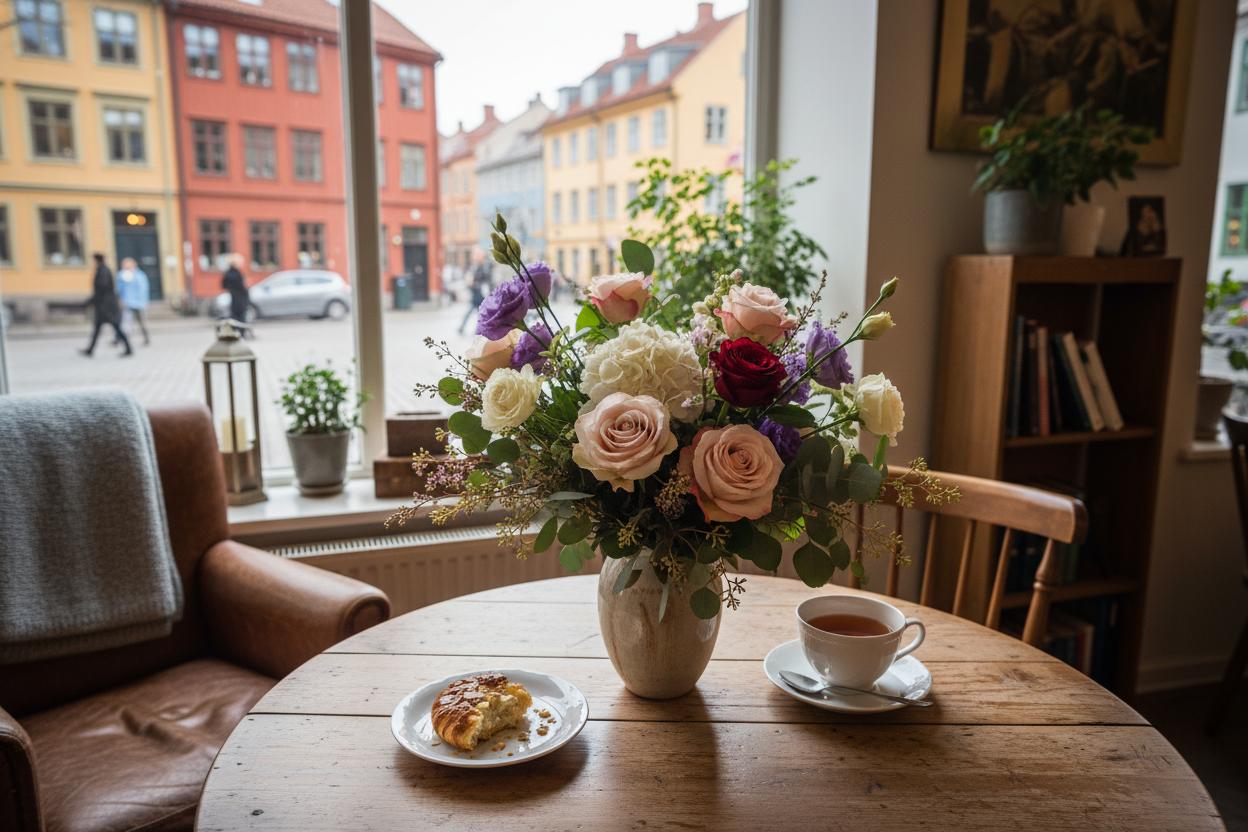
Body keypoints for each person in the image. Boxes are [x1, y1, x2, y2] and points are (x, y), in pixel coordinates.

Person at [81, 253, 131, 357]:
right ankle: (90, 350)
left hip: (106, 306)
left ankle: (128, 348)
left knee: (116, 327)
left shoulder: (103, 271)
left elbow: (102, 289)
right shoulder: (103, 270)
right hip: (104, 306)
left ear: (96, 260)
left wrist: (90, 301)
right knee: (99, 328)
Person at [116, 257, 151, 346]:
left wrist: (144, 301)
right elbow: (119, 288)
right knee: (126, 323)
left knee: (142, 322)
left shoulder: (139, 275)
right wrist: (120, 299)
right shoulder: (122, 275)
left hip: (139, 303)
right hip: (127, 302)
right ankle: (125, 340)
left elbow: (144, 289)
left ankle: (146, 338)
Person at [458, 250, 492, 335]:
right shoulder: (475, 266)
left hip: (481, 294)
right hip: (476, 293)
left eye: (478, 256)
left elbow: (487, 281)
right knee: (477, 312)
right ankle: (465, 328)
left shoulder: (484, 267)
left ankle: (475, 330)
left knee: (480, 313)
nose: (476, 258)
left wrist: (475, 284)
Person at [221, 253, 251, 336]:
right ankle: (242, 335)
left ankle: (236, 333)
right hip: (241, 299)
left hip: (233, 298)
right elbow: (242, 287)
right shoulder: (237, 273)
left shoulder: (227, 273)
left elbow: (223, 285)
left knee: (235, 316)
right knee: (242, 318)